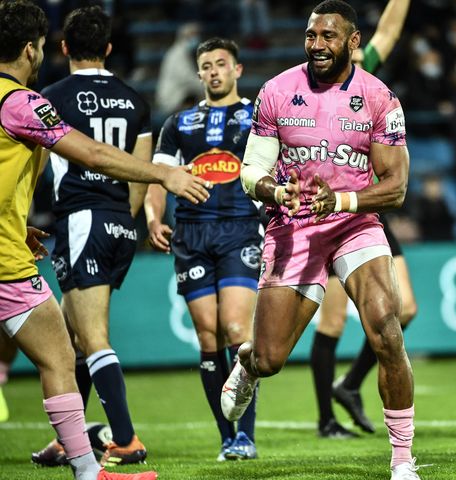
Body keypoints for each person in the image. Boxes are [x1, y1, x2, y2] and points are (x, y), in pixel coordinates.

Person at [0, 1, 207, 479]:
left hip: (36, 236)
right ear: (32, 49)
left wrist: (14, 224)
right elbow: (92, 153)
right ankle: (91, 469)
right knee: (60, 355)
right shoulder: (23, 102)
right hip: (18, 258)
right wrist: (165, 175)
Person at [221, 2, 422, 478]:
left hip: (354, 223)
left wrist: (345, 202)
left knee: (386, 327)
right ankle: (248, 363)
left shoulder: (378, 97)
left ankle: (402, 459)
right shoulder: (276, 91)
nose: (316, 45)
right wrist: (274, 189)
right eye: (311, 36)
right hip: (293, 226)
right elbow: (251, 170)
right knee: (271, 359)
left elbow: (394, 187)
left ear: (353, 42)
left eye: (328, 37)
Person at [29, 6, 152, 468]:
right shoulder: (135, 100)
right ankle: (70, 438)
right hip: (118, 219)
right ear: (108, 48)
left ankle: (124, 438)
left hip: (82, 217)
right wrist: (123, 220)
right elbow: (139, 171)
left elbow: (38, 161)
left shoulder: (52, 95)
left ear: (63, 48)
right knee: (71, 335)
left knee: (93, 336)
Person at [145, 37, 262, 462]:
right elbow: (160, 175)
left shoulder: (255, 118)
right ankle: (226, 437)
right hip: (191, 234)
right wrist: (154, 218)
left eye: (221, 64)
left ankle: (246, 434)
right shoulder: (179, 123)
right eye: (207, 65)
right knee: (208, 337)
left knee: (236, 331)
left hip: (240, 231)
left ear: (237, 70)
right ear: (198, 73)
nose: (214, 71)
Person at [309, 0, 417, 440]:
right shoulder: (307, 82)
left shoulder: (363, 72)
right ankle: (326, 419)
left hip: (365, 205)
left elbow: (388, 33)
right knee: (331, 321)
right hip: (326, 208)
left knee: (405, 308)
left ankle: (350, 385)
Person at [155, 22, 204, 117]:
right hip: (172, 99)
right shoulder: (177, 54)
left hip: (180, 95)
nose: (196, 37)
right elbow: (188, 78)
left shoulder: (183, 53)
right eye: (193, 34)